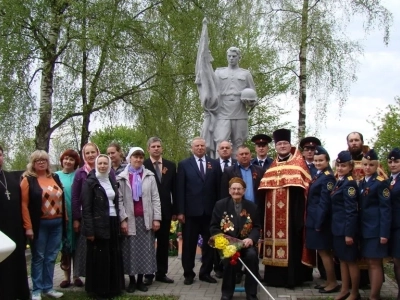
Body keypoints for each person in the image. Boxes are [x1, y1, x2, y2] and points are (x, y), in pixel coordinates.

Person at [258, 128, 313, 288]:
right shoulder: (272, 166)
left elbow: (303, 192)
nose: (282, 146)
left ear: (290, 145)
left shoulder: (299, 164)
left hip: (291, 217)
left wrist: (298, 219)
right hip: (271, 220)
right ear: (276, 146)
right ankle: (273, 278)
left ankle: (292, 279)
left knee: (292, 247)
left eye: (285, 143)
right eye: (279, 144)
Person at [21, 150, 66, 300]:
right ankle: (36, 290)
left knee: (52, 256)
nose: (41, 162)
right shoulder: (28, 180)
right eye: (37, 160)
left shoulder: (55, 177)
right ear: (33, 164)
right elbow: (24, 205)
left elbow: (62, 200)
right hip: (39, 224)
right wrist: (28, 227)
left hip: (57, 223)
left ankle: (48, 287)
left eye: (44, 160)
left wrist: (64, 219)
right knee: (38, 257)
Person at [176, 137, 222, 285]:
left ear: (206, 147)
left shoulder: (214, 164)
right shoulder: (184, 164)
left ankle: (205, 273)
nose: (200, 148)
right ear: (192, 148)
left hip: (210, 213)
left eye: (202, 145)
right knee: (189, 245)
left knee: (209, 245)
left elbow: (219, 189)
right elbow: (180, 189)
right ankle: (188, 274)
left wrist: (219, 211)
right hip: (190, 213)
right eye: (197, 146)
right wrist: (180, 211)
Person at [117, 147, 162, 293]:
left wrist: (156, 218)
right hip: (130, 219)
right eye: (135, 157)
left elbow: (155, 198)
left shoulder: (149, 175)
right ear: (129, 158)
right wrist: (122, 219)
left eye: (141, 157)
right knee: (130, 251)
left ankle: (141, 280)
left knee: (145, 250)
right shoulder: (122, 177)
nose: (138, 160)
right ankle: (131, 280)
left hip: (145, 218)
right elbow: (119, 200)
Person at [210, 177, 261, 300]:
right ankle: (227, 293)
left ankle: (251, 293)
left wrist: (251, 239)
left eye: (239, 189)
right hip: (228, 245)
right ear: (229, 190)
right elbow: (214, 227)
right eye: (234, 189)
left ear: (244, 191)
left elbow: (257, 227)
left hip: (246, 244)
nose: (236, 191)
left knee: (252, 256)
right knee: (229, 259)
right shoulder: (220, 205)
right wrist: (224, 242)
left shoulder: (252, 207)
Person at [82, 154, 124, 299]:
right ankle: (99, 290)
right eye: (100, 163)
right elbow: (86, 208)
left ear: (109, 165)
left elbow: (116, 202)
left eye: (105, 163)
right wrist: (89, 230)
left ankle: (113, 288)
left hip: (112, 222)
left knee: (112, 255)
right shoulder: (90, 182)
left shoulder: (111, 180)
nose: (102, 166)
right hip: (98, 223)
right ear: (96, 165)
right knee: (100, 257)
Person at [305, 146, 340, 294]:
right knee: (321, 252)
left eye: (321, 160)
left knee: (325, 252)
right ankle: (327, 280)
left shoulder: (328, 177)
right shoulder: (319, 175)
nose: (317, 163)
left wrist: (319, 222)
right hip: (314, 219)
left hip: (321, 221)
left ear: (327, 160)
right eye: (316, 160)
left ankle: (332, 282)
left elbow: (325, 202)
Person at [142, 137, 176, 285]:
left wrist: (176, 210)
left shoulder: (170, 165)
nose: (156, 149)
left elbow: (175, 189)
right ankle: (148, 274)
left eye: (158, 146)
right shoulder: (143, 165)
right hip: (147, 211)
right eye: (153, 146)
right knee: (149, 243)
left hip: (166, 211)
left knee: (163, 243)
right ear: (148, 149)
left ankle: (161, 273)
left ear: (162, 148)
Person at [359, 149, 391, 300]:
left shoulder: (380, 183)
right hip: (364, 229)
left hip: (376, 229)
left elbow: (385, 210)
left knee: (375, 263)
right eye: (365, 164)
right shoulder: (362, 182)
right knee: (369, 262)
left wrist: (384, 233)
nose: (367, 167)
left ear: (376, 166)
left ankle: (374, 296)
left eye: (371, 165)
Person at [213, 47, 257, 157]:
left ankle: (237, 171)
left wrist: (251, 102)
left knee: (239, 143)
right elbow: (210, 90)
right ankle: (219, 170)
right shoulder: (218, 72)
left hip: (240, 110)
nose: (231, 58)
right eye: (229, 56)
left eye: (234, 56)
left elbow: (254, 94)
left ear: (239, 57)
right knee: (221, 141)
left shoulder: (246, 74)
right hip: (222, 110)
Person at [0, 145, 30, 300]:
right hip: (0, 231)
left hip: (15, 228)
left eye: (0, 155)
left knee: (16, 263)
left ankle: (19, 292)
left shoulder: (11, 178)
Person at [331, 151, 360, 300]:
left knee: (350, 261)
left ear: (350, 167)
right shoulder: (340, 181)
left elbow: (351, 211)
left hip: (345, 229)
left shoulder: (349, 184)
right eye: (338, 165)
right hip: (337, 228)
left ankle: (354, 293)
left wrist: (349, 233)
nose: (340, 168)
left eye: (343, 166)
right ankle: (344, 290)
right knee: (342, 260)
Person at [72, 142, 100, 284]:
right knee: (86, 248)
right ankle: (88, 277)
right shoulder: (80, 173)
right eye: (87, 153)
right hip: (86, 217)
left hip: (103, 217)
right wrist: (76, 218)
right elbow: (75, 197)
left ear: (97, 152)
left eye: (92, 152)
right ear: (84, 155)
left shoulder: (106, 169)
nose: (90, 155)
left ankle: (100, 276)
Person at [55, 149, 81, 289]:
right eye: (66, 159)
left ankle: (76, 276)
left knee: (76, 247)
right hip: (61, 217)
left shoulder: (78, 175)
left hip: (76, 216)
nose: (68, 161)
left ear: (75, 162)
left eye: (71, 159)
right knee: (65, 248)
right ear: (62, 160)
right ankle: (66, 277)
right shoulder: (55, 176)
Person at [388, 148, 400, 300]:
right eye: (390, 162)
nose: (392, 164)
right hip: (393, 225)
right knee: (396, 261)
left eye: (396, 161)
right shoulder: (390, 179)